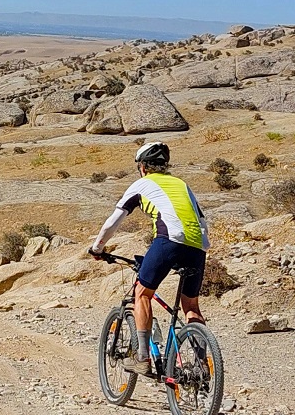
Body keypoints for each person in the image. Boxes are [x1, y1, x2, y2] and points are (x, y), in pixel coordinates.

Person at [88, 140, 207, 375]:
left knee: (142, 294)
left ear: (142, 167)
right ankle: (202, 365)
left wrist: (97, 248)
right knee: (191, 306)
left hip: (168, 240)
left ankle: (142, 358)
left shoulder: (141, 184)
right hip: (198, 245)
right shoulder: (182, 185)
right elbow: (202, 220)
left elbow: (113, 221)